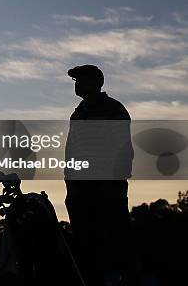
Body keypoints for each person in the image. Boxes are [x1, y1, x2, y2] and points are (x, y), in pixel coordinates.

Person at [64, 65, 135, 286]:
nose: (76, 84)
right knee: (84, 243)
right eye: (75, 80)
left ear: (95, 82)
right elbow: (71, 148)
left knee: (114, 240)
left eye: (80, 79)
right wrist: (70, 180)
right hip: (79, 189)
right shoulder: (77, 114)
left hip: (107, 188)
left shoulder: (114, 109)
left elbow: (124, 149)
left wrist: (111, 182)